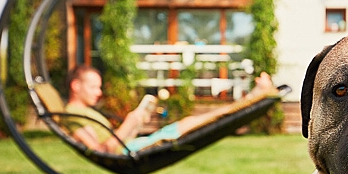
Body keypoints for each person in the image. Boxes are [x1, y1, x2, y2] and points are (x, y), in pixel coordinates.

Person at [62, 65, 276, 154]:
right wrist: (130, 121)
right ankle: (253, 97)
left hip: (133, 145)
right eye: (93, 87)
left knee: (199, 120)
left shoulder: (83, 112)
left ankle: (252, 98)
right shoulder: (73, 114)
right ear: (76, 86)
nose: (98, 92)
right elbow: (103, 151)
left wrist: (136, 122)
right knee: (200, 121)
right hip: (133, 151)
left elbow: (115, 143)